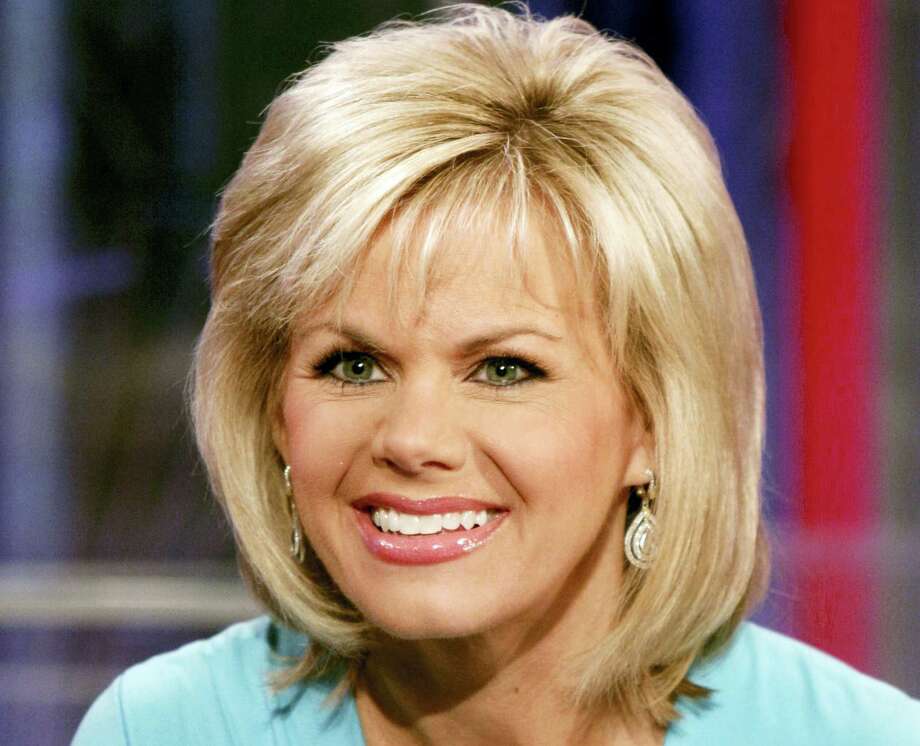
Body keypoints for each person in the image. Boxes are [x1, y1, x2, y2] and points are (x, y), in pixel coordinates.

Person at [73, 5, 920, 745]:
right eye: (354, 365)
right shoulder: (163, 730)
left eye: (505, 368)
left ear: (655, 422)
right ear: (271, 408)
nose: (413, 439)